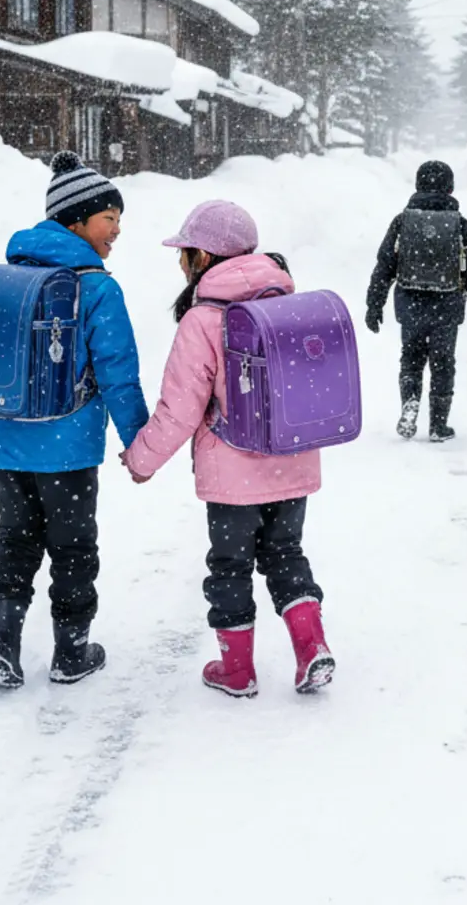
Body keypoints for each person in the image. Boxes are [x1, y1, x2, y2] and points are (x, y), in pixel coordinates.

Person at [123, 200, 333, 698]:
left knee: (231, 566)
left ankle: (238, 671)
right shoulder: (286, 301)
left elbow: (180, 409)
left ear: (204, 257)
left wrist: (141, 460)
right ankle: (311, 647)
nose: (180, 262)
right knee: (286, 555)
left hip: (232, 473)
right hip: (292, 458)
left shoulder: (203, 320)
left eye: (185, 252)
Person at [0, 152, 150, 689]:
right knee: (73, 549)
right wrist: (140, 441)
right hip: (69, 451)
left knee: (15, 540)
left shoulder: (9, 276)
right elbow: (119, 372)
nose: (117, 230)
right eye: (109, 219)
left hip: (7, 443)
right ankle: (71, 653)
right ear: (76, 220)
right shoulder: (96, 287)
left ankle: (0, 647)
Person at [364, 160, 467, 441]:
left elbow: (384, 265)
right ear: (450, 187)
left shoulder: (403, 221)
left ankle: (410, 403)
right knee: (443, 362)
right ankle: (438, 424)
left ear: (418, 185)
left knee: (411, 360)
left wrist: (374, 304)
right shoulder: (460, 224)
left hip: (410, 303)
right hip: (447, 305)